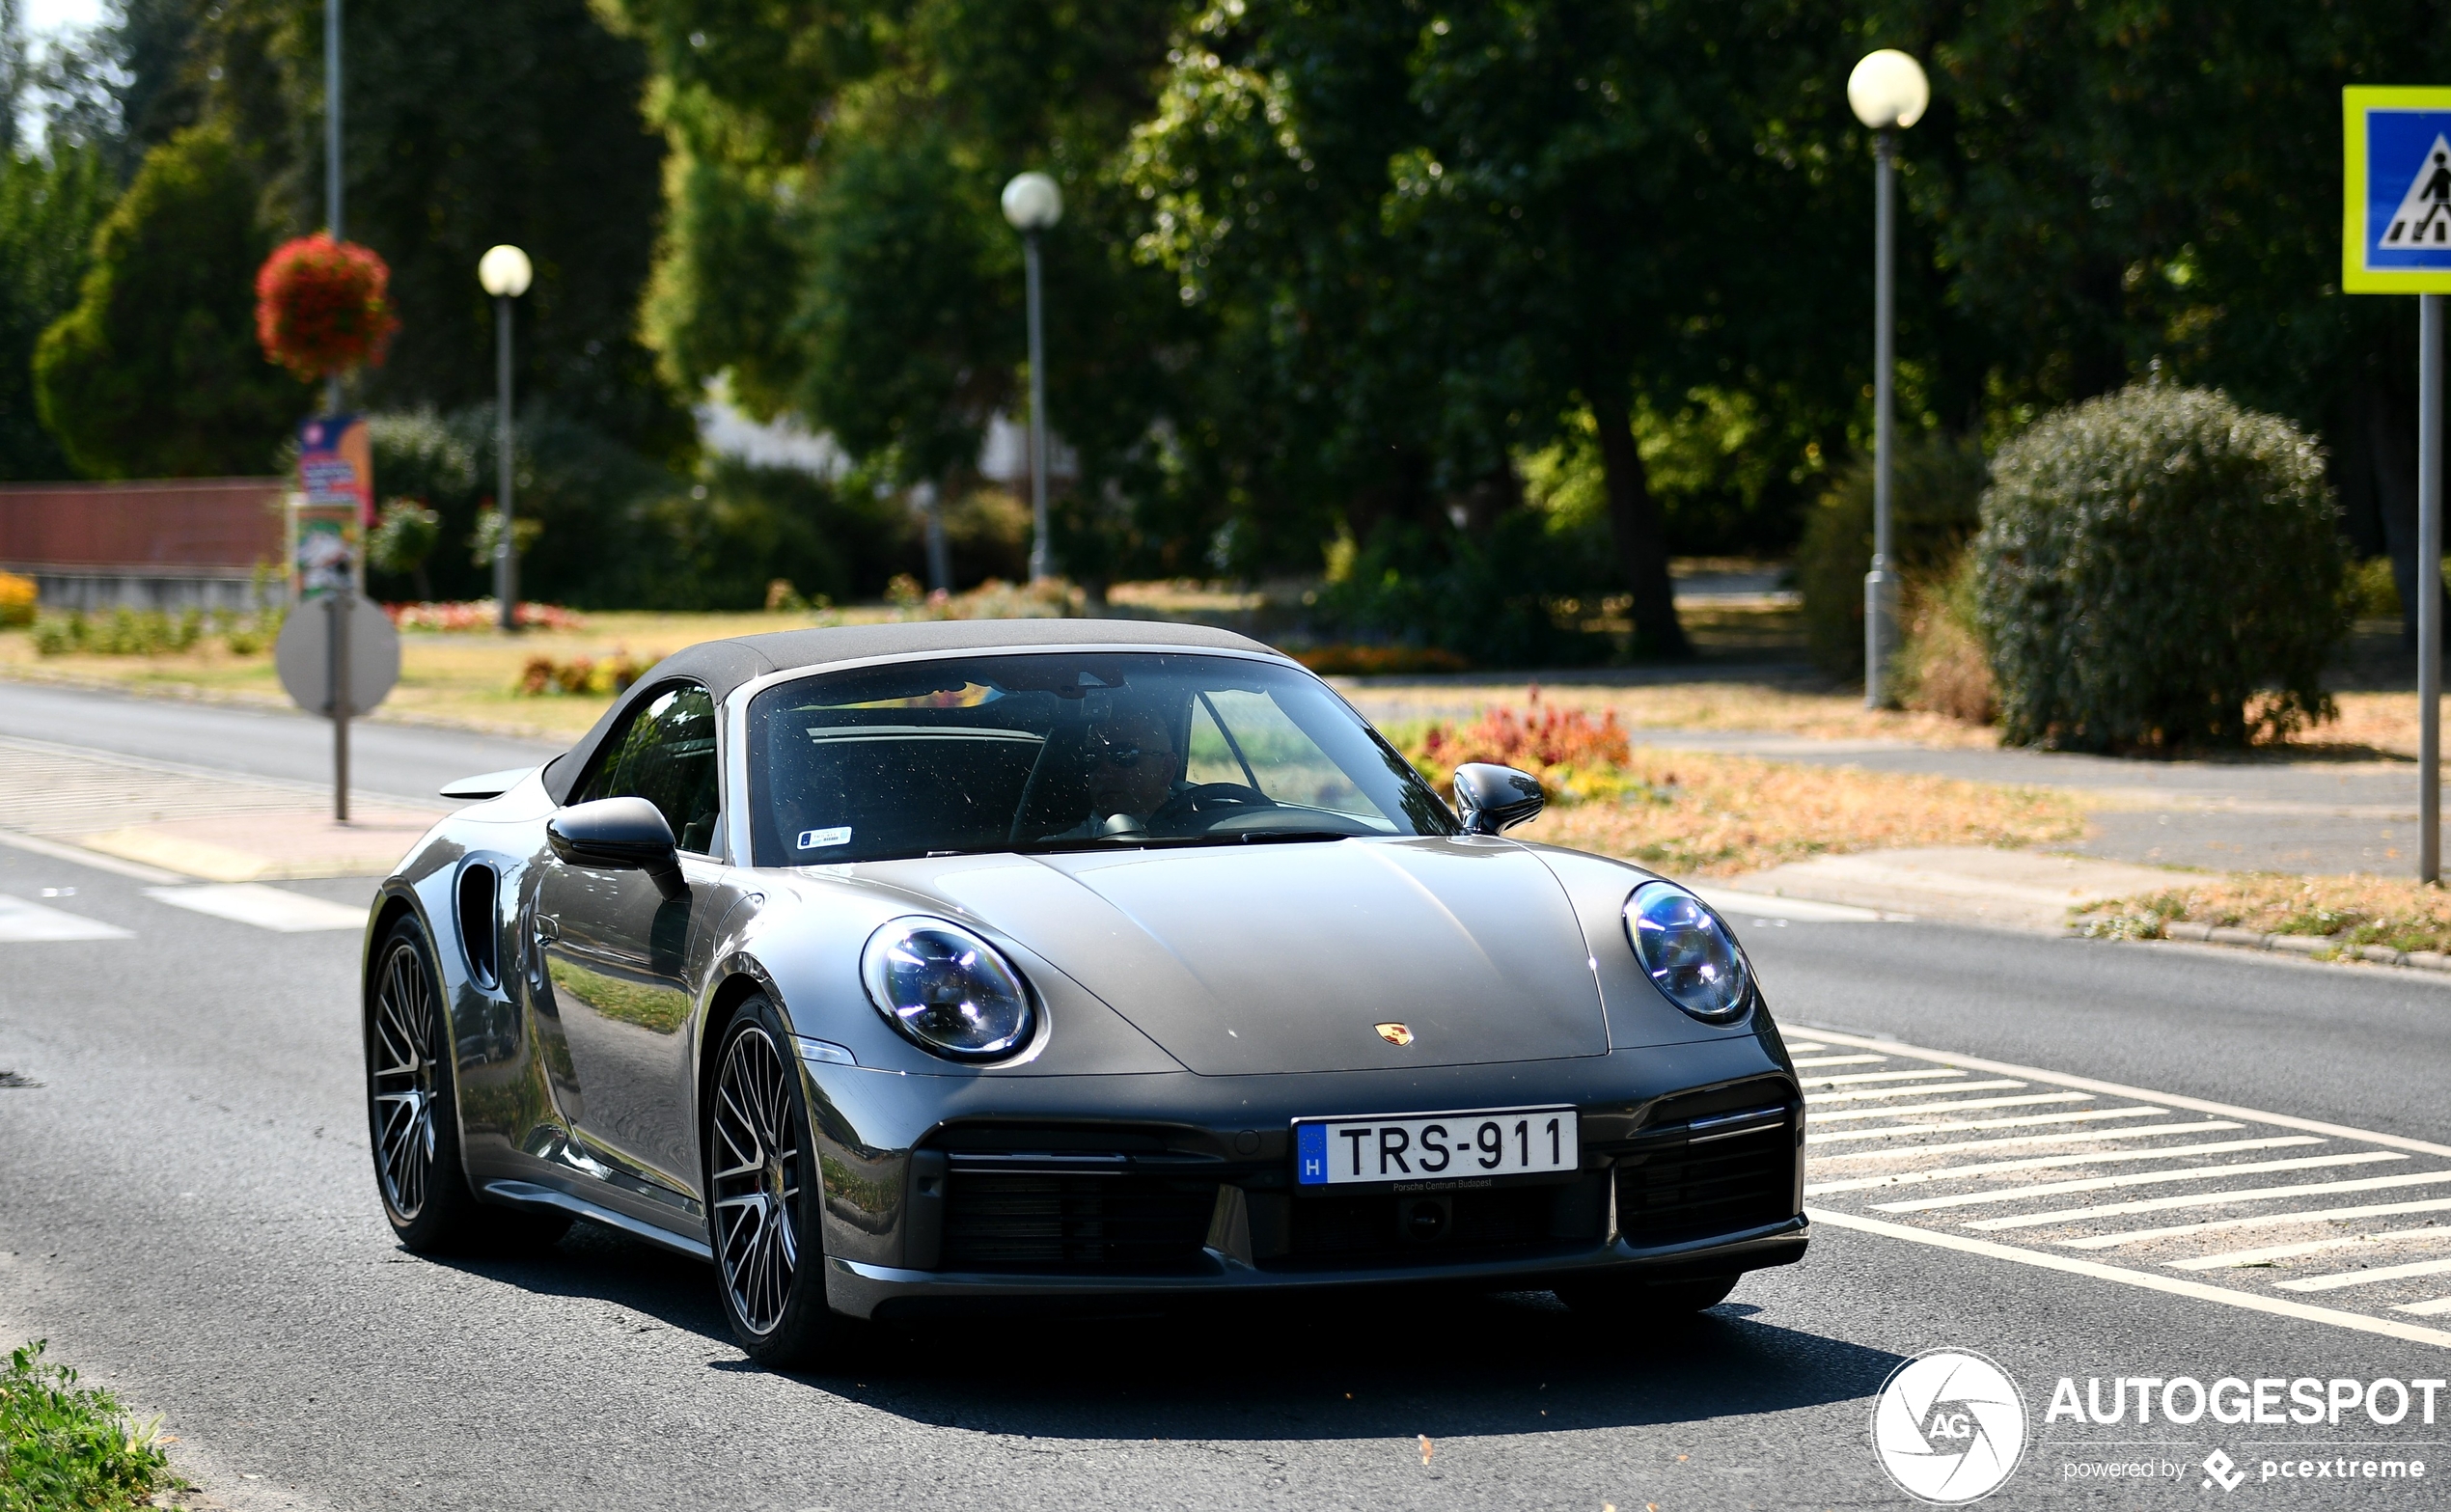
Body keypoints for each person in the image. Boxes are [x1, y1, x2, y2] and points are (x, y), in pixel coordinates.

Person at [1043, 702, 1185, 838]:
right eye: (1092, 758)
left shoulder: (1201, 835)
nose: (1104, 772)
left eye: (1123, 755)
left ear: (1166, 769)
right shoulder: (1053, 852)